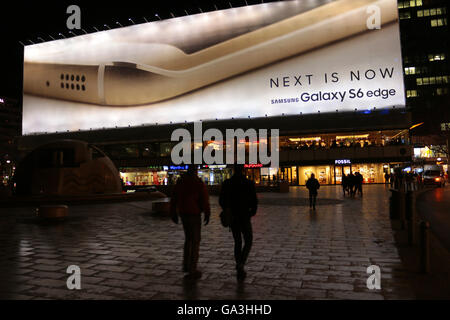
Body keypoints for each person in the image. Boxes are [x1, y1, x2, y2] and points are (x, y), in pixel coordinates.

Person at [170, 165, 210, 280]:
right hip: (194, 213)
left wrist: (173, 212)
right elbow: (204, 198)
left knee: (188, 240)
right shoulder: (197, 182)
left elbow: (174, 198)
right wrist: (207, 213)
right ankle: (192, 268)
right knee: (195, 240)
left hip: (183, 213)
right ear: (195, 171)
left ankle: (186, 265)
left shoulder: (181, 182)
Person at [219, 164, 258, 281]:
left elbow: (221, 200)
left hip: (233, 217)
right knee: (249, 240)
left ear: (233, 170)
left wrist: (227, 209)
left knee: (237, 241)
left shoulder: (227, 183)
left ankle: (239, 263)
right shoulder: (249, 183)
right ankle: (241, 263)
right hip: (245, 215)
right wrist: (252, 211)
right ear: (243, 170)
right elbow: (254, 200)